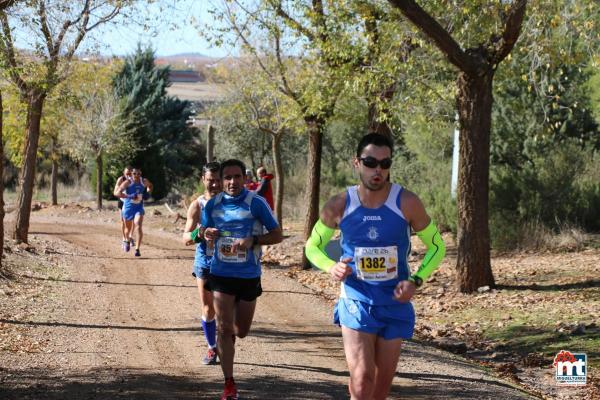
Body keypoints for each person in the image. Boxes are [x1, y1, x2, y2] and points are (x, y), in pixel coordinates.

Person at [304, 133, 446, 400]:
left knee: (379, 389)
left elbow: (438, 247)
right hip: (356, 300)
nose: (378, 169)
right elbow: (312, 247)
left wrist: (416, 280)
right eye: (370, 162)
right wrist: (331, 267)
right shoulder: (339, 204)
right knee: (361, 380)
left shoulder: (407, 202)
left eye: (384, 163)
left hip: (394, 303)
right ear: (357, 163)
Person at [201, 159, 283, 400]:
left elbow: (277, 234)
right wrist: (207, 234)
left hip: (248, 275)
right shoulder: (212, 205)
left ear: (245, 178)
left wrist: (254, 241)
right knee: (225, 329)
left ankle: (230, 341)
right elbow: (205, 234)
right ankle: (229, 384)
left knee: (241, 330)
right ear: (221, 179)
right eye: (227, 177)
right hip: (221, 274)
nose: (232, 182)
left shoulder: (256, 203)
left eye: (237, 177)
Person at [182, 162, 222, 366]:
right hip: (204, 262)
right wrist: (200, 233)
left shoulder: (232, 203)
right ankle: (211, 348)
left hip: (230, 263)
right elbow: (185, 238)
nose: (214, 184)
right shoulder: (197, 205)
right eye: (210, 180)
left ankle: (224, 343)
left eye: (217, 180)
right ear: (203, 180)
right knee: (208, 309)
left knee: (225, 309)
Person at [113, 167, 153, 257]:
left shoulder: (144, 181)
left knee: (138, 225)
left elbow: (150, 186)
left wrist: (148, 192)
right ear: (131, 174)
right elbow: (117, 193)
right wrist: (129, 196)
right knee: (127, 229)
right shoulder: (128, 182)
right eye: (135, 174)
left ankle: (137, 249)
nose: (137, 176)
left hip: (139, 208)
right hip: (128, 208)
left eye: (139, 174)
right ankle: (127, 240)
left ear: (141, 174)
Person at [114, 166, 133, 251]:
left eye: (130, 173)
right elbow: (115, 191)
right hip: (122, 201)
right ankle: (124, 239)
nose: (128, 175)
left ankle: (129, 237)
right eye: (127, 173)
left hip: (131, 202)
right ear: (124, 173)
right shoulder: (120, 179)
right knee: (123, 220)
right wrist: (122, 192)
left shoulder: (135, 179)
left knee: (130, 220)